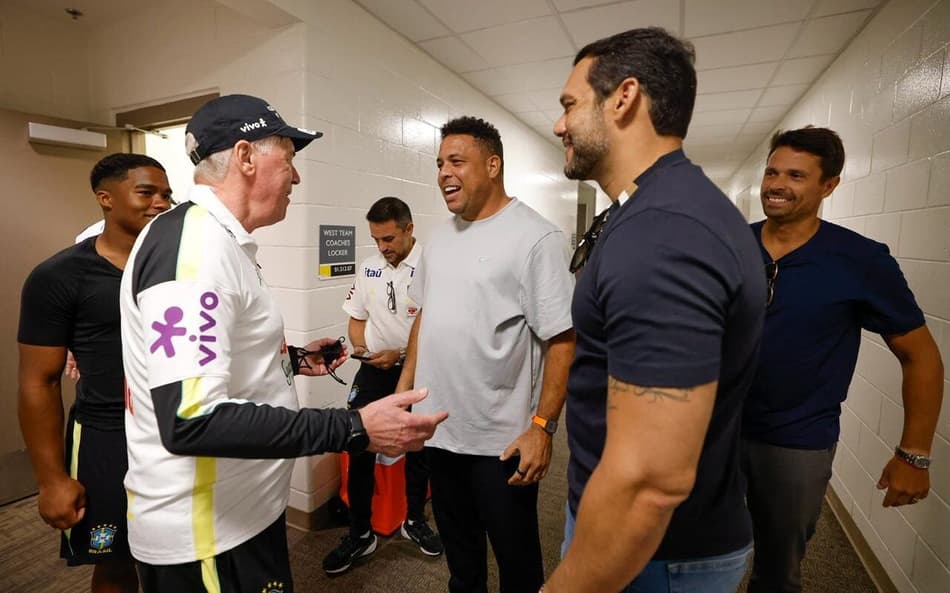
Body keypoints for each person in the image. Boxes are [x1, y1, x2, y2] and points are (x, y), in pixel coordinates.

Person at [119, 94, 447, 593]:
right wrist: (353, 426)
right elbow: (191, 419)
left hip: (240, 515)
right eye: (290, 161)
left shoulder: (217, 242)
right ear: (246, 157)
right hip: (206, 536)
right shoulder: (194, 251)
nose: (296, 178)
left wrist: (291, 361)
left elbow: (210, 361)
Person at [545, 27, 766, 593]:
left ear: (624, 97)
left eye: (570, 104)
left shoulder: (664, 233)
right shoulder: (659, 209)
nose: (559, 124)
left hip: (656, 556)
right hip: (649, 542)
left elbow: (649, 482)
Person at [741, 126, 944, 593]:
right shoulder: (732, 245)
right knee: (702, 556)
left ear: (828, 185)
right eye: (772, 171)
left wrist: (914, 454)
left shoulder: (860, 260)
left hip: (796, 442)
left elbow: (921, 356)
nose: (776, 184)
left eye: (796, 175)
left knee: (776, 570)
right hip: (713, 432)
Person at [396, 116, 576, 593]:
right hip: (441, 431)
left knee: (516, 563)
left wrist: (543, 428)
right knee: (462, 561)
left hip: (501, 441)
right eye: (439, 164)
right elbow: (425, 316)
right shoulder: (436, 239)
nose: (443, 174)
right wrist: (405, 389)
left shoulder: (535, 238)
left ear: (492, 165)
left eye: (457, 161)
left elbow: (562, 339)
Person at [17, 153, 173, 593]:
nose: (160, 202)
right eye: (146, 192)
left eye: (166, 194)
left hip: (176, 435)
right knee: (116, 564)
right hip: (107, 439)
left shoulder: (178, 270)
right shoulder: (59, 276)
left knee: (181, 559)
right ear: (105, 198)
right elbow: (37, 381)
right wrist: (50, 479)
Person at [323, 196, 443, 575]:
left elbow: (436, 328)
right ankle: (361, 533)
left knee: (418, 448)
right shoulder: (369, 268)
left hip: (419, 370)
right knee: (359, 444)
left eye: (389, 238)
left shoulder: (432, 265)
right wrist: (361, 347)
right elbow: (356, 318)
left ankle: (414, 519)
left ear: (409, 229)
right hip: (374, 372)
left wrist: (401, 357)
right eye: (376, 239)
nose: (383, 247)